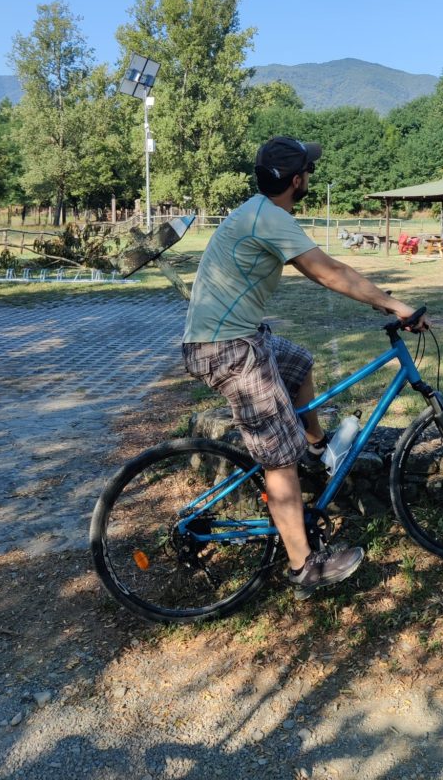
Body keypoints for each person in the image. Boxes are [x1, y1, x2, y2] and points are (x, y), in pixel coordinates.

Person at [182, 136, 428, 600]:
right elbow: (329, 272)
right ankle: (303, 566)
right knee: (276, 455)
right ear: (297, 181)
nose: (310, 177)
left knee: (299, 364)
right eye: (308, 171)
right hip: (227, 349)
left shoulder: (259, 210)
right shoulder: (269, 218)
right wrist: (397, 306)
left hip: (236, 336)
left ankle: (315, 452)